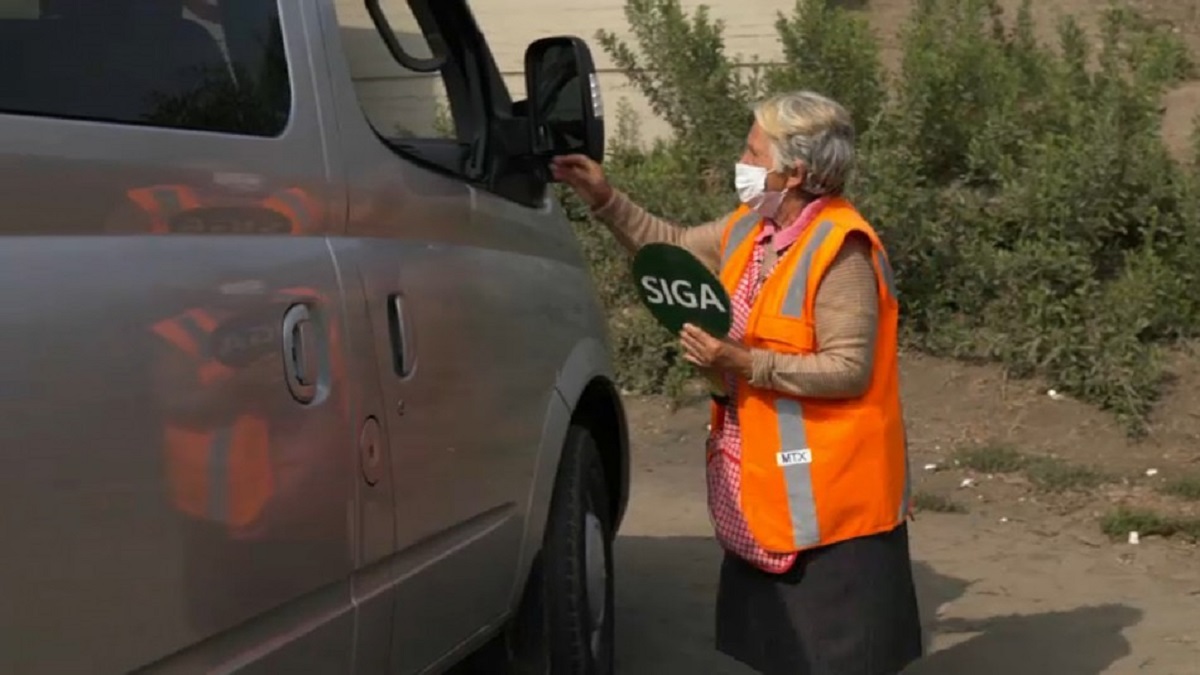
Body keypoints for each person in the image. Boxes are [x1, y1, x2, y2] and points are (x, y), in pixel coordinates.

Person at [552, 90, 922, 675]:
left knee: (837, 656)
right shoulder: (753, 229)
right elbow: (672, 249)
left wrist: (747, 363)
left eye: (754, 151)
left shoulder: (841, 249)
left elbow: (849, 369)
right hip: (769, 479)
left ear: (795, 172)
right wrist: (604, 199)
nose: (743, 162)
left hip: (834, 498)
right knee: (782, 650)